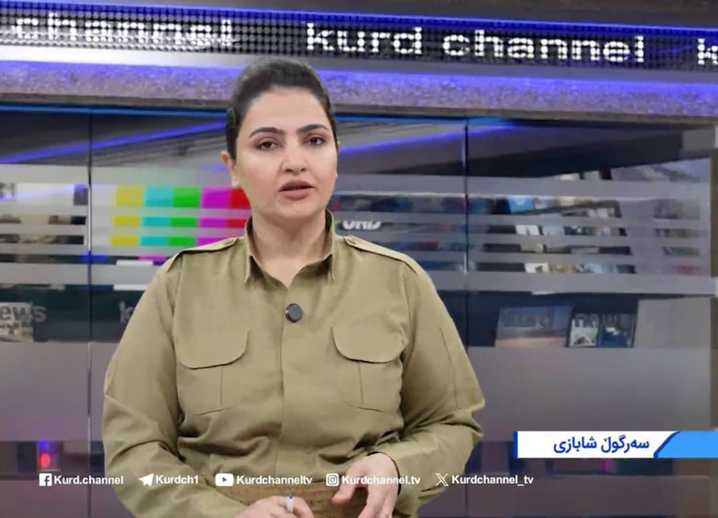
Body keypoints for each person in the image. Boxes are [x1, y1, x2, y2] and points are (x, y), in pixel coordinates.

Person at [102, 58, 485, 518]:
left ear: (336, 155)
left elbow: (452, 424)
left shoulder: (399, 281)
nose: (295, 162)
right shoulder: (180, 286)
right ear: (233, 167)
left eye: (314, 140)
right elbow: (134, 446)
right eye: (267, 144)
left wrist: (398, 467)